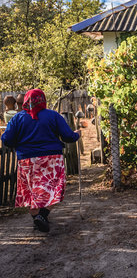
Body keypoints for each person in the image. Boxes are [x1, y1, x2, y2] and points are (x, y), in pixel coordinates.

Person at [1, 89, 80, 232]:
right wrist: (76, 135)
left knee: (31, 191)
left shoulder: (17, 118)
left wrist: (20, 142)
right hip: (51, 159)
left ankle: (38, 218)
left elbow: (7, 140)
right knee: (54, 188)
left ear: (25, 101)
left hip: (26, 160)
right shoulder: (53, 116)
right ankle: (42, 216)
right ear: (43, 100)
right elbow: (68, 137)